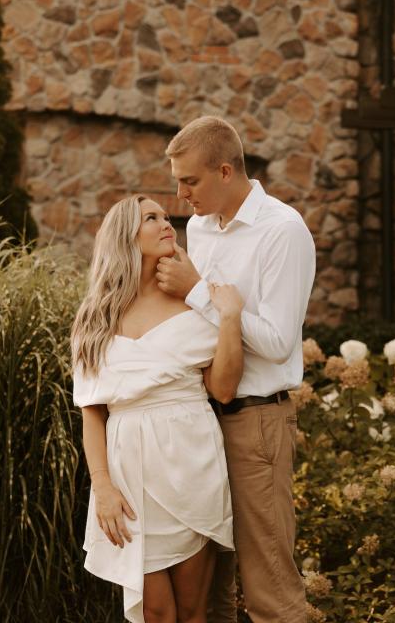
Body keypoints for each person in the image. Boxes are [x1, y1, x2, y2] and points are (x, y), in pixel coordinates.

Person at [155, 116, 316, 623]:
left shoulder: (283, 231)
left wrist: (197, 291)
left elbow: (276, 341)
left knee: (270, 589)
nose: (180, 196)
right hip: (200, 423)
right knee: (210, 593)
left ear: (226, 171)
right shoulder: (200, 228)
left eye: (191, 181)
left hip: (257, 425)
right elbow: (205, 327)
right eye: (178, 181)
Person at [71, 195, 246, 623]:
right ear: (126, 237)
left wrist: (229, 319)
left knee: (191, 611)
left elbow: (223, 389)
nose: (167, 223)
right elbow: (92, 412)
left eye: (167, 217)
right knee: (155, 611)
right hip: (129, 476)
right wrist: (103, 489)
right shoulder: (95, 319)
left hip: (193, 464)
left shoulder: (195, 306)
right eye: (152, 218)